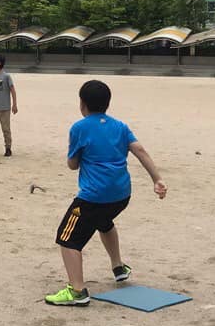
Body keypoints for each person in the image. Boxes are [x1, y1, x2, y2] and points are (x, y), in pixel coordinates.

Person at [45, 80, 167, 307]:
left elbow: (72, 164)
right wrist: (157, 179)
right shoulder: (120, 126)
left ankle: (77, 291)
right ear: (107, 104)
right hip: (121, 195)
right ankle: (118, 267)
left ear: (82, 104)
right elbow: (139, 150)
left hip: (93, 196)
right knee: (104, 222)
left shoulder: (79, 128)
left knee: (67, 239)